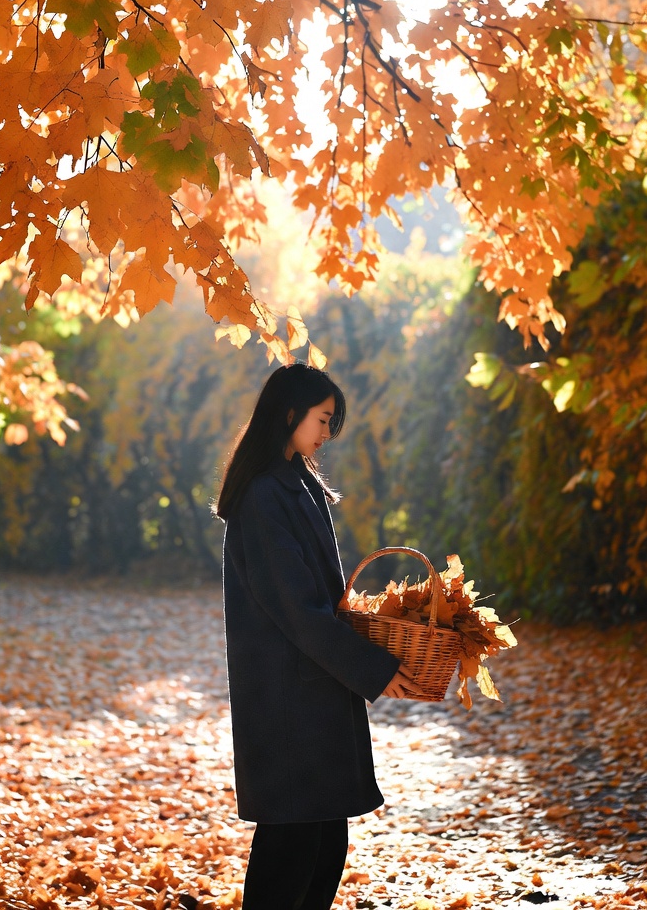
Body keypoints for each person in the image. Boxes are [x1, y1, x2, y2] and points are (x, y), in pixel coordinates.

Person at [216, 363, 425, 910]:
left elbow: (321, 601)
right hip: (287, 700)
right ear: (289, 414)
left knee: (326, 841)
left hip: (316, 690)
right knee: (292, 844)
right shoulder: (264, 497)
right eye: (322, 419)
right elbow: (300, 611)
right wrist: (377, 670)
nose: (327, 433)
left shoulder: (298, 485)